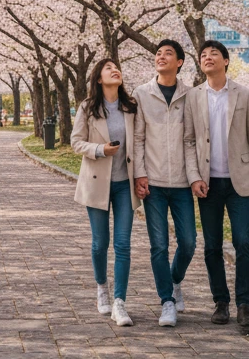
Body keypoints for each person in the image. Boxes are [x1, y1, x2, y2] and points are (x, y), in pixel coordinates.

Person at [184, 40, 249, 329]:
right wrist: (194, 176)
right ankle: (221, 301)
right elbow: (188, 140)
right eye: (203, 55)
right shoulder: (193, 97)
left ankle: (245, 304)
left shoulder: (243, 94)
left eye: (214, 54)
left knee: (243, 242)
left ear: (226, 61)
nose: (208, 58)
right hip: (208, 182)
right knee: (212, 246)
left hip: (240, 181)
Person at [71, 57, 141, 328]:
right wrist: (100, 150)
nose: (115, 70)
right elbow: (76, 142)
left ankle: (119, 302)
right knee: (100, 243)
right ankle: (102, 286)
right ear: (99, 79)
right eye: (108, 68)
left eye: (117, 67)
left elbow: (140, 140)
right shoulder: (88, 107)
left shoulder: (131, 106)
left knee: (123, 244)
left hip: (125, 183)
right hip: (97, 181)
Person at [133, 39, 195, 328]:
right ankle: (166, 301)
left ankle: (175, 280)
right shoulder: (142, 94)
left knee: (189, 243)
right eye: (158, 53)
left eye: (168, 53)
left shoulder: (190, 96)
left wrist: (195, 177)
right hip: (154, 183)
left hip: (183, 183)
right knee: (158, 245)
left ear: (179, 62)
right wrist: (140, 174)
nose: (161, 57)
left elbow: (192, 140)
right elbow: (138, 138)